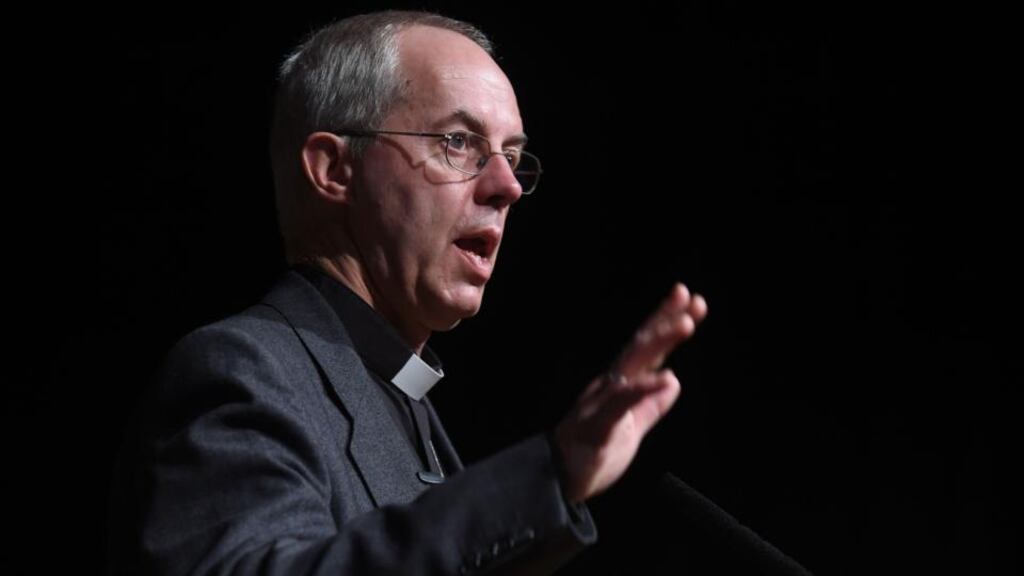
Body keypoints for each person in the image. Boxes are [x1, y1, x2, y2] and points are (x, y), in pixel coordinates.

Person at [108, 10, 708, 575]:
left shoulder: (408, 399)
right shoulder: (243, 373)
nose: (506, 186)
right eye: (458, 143)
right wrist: (547, 479)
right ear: (334, 170)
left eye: (513, 156)